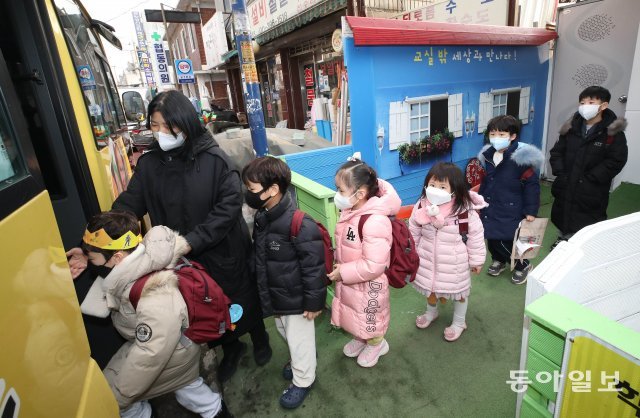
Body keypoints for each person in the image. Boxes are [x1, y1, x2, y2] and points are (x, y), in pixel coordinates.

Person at [68, 90, 271, 382]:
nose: (161, 132)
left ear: (185, 123)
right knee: (204, 307)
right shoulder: (150, 165)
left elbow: (227, 211)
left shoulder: (215, 160)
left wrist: (190, 242)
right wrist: (89, 248)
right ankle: (232, 348)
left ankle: (259, 337)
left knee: (239, 300)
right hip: (180, 260)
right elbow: (126, 208)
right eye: (155, 125)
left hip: (223, 251)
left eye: (168, 126)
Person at [80, 211, 231, 418]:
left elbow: (151, 353)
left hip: (172, 353)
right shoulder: (138, 262)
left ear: (117, 257)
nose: (91, 264)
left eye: (93, 258)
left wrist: (122, 395)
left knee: (114, 400)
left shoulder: (154, 295)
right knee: (192, 392)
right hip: (173, 346)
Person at [241, 156, 326, 409]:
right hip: (278, 294)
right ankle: (305, 358)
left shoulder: (299, 223)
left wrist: (313, 302)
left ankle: (303, 380)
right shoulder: (264, 215)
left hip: (297, 299)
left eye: (252, 190)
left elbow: (314, 268)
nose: (248, 194)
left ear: (273, 190)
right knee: (285, 332)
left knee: (298, 338)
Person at [328, 158, 401, 368]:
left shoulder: (374, 220)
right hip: (353, 279)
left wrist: (345, 271)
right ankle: (362, 338)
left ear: (359, 194)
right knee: (355, 313)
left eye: (341, 190)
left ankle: (377, 343)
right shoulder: (351, 211)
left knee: (371, 317)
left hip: (370, 285)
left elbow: (375, 265)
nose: (337, 195)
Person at [409, 162, 487, 341]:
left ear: (455, 189)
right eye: (432, 185)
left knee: (459, 294)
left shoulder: (464, 212)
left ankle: (459, 322)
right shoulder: (421, 207)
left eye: (442, 186)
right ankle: (431, 312)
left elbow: (475, 237)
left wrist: (476, 261)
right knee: (431, 290)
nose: (435, 190)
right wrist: (412, 254)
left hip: (455, 263)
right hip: (427, 259)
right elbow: (413, 231)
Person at [549, 86, 628, 249]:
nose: (585, 106)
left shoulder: (613, 132)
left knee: (588, 216)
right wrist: (561, 172)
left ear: (603, 106)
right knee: (563, 210)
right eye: (582, 102)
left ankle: (581, 245)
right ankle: (562, 238)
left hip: (591, 186)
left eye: (591, 102)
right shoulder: (570, 128)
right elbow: (557, 152)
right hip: (567, 180)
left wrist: (593, 177)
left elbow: (616, 160)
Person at [477, 115, 544, 285]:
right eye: (493, 134)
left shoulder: (521, 159)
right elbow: (486, 182)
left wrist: (530, 210)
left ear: (513, 136)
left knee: (507, 239)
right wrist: (479, 202)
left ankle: (523, 265)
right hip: (490, 206)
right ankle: (499, 260)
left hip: (511, 207)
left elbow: (532, 185)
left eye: (501, 134)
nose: (496, 138)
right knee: (491, 238)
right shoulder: (488, 156)